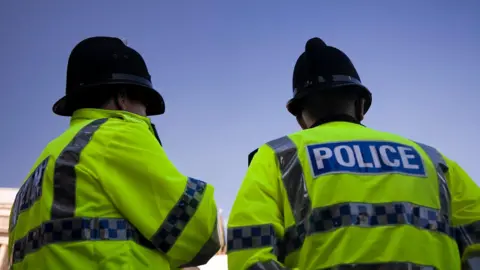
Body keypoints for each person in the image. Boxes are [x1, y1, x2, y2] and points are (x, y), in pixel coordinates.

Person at [227, 37, 480, 270]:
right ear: (360, 106)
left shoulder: (278, 157)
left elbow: (249, 252)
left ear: (300, 118)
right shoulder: (433, 160)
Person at [7, 36, 220, 269]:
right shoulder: (115, 135)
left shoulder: (44, 164)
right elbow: (200, 233)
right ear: (122, 99)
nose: (146, 114)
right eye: (145, 104)